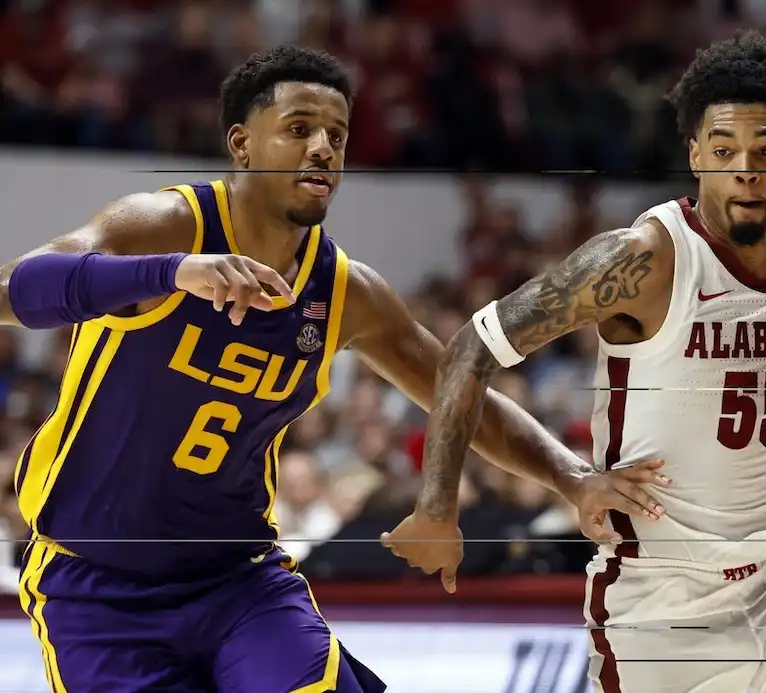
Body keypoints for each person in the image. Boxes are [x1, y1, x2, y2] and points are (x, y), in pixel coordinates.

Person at [2, 45, 669, 693]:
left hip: (237, 578)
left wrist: (572, 477)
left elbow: (460, 389)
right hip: (99, 584)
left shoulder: (346, 292)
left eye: (337, 135)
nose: (323, 148)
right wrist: (170, 273)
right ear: (241, 145)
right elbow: (10, 291)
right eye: (299, 129)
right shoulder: (165, 225)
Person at [386, 32, 766, 693]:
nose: (745, 168)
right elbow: (469, 350)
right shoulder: (642, 259)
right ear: (695, 154)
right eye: (724, 149)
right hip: (661, 599)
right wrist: (450, 502)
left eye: (765, 149)